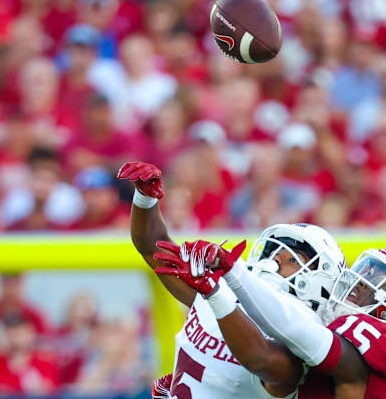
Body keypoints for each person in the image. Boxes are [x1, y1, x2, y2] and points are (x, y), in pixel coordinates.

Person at [118, 161, 345, 398]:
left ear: (321, 280)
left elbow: (260, 359)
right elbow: (151, 247)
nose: (275, 261)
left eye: (292, 260)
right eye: (273, 252)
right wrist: (146, 198)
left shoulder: (304, 331)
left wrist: (216, 295)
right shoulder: (219, 291)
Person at [154, 240, 386, 398]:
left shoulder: (378, 340)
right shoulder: (355, 333)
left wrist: (232, 276)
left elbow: (298, 339)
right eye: (370, 270)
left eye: (383, 280)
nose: (363, 282)